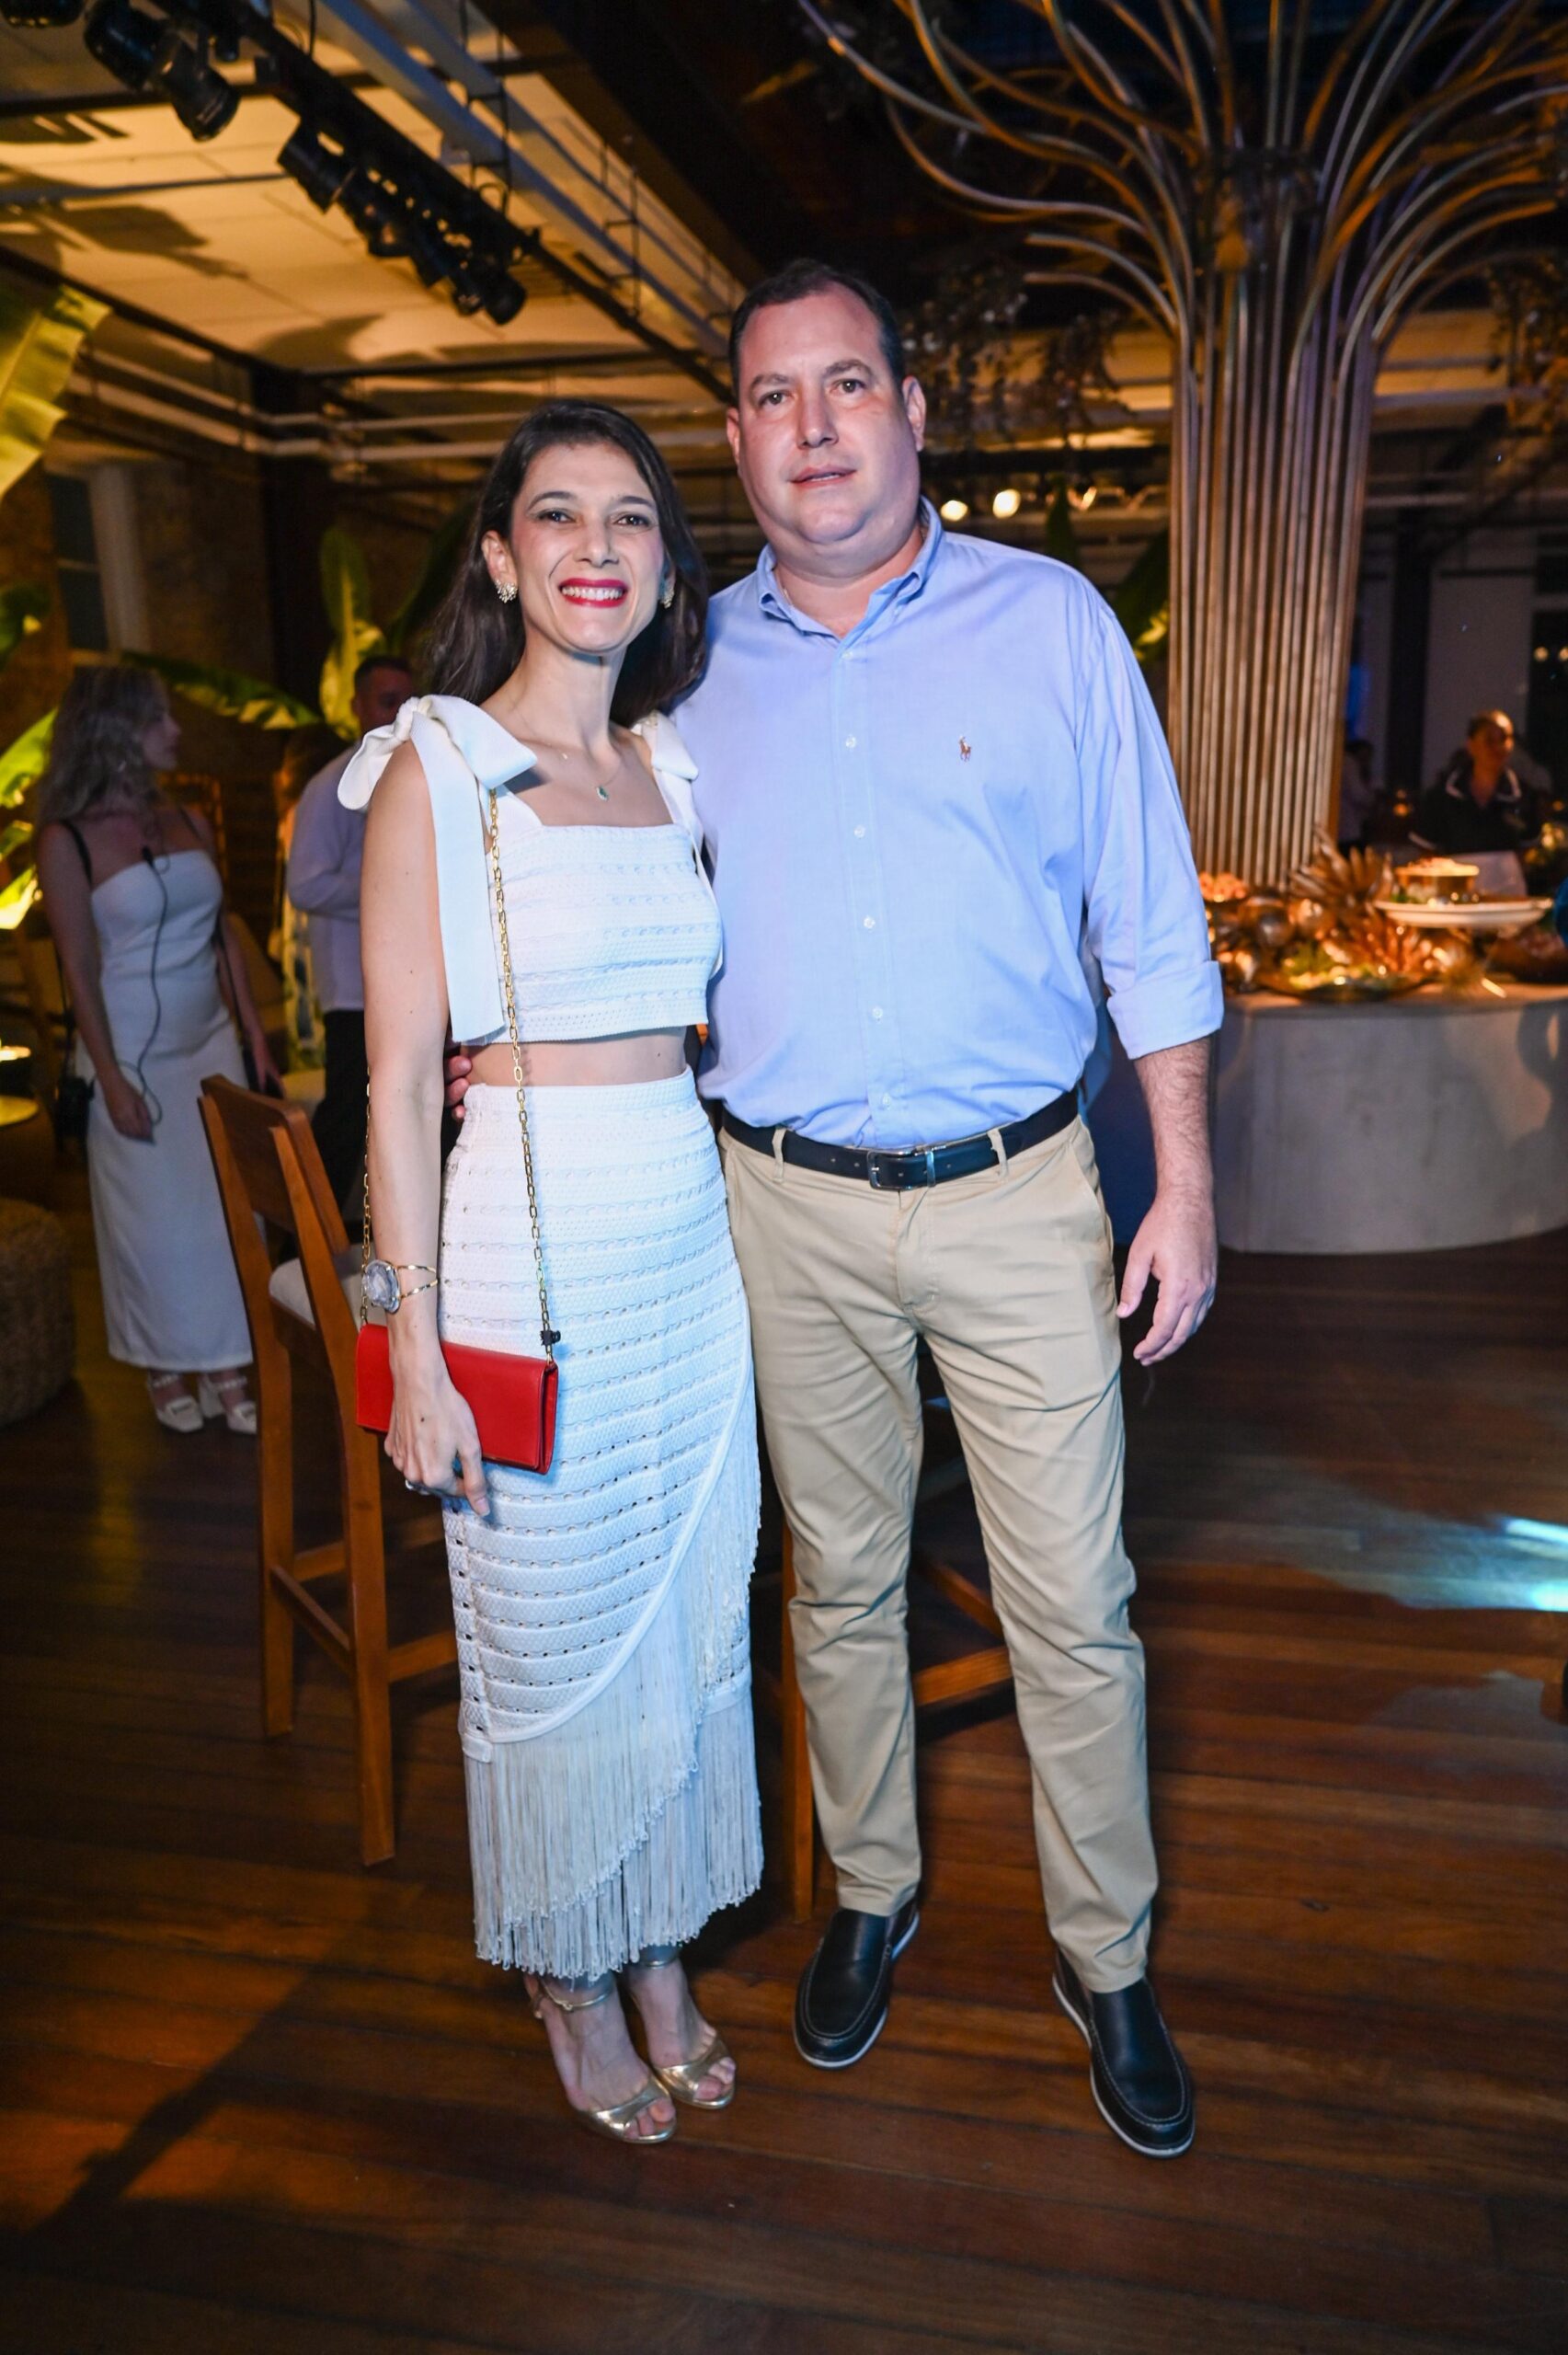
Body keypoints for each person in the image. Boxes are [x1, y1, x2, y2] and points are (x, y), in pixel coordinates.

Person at [450, 260, 1221, 2159]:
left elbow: (1151, 924)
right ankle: (872, 1888)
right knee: (839, 1584)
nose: (813, 429)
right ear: (735, 438)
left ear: (911, 410)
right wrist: (510, 1043)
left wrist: (1185, 1186)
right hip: (777, 1208)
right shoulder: (682, 668)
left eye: (847, 385)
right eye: (776, 397)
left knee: (1075, 1603)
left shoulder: (1052, 626)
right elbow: (571, 859)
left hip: (1024, 1192)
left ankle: (1107, 1956)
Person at [344, 403, 761, 2146]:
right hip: (528, 1252)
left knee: (681, 1629)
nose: (598, 545)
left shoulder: (675, 767)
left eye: (632, 518)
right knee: (548, 1634)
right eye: (559, 515)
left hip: (684, 1244)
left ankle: (654, 1941)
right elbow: (393, 1083)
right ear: (503, 559)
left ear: (664, 566)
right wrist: (413, 1349)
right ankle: (569, 1975)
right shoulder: (434, 768)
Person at [36, 665, 280, 1433]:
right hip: (131, 1057)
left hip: (210, 1047)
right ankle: (166, 1363)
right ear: (116, 730)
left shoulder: (188, 819)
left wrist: (253, 1033)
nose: (175, 732)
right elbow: (78, 968)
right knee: (155, 1226)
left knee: (223, 1215)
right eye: (159, 719)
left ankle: (226, 1362)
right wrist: (109, 1077)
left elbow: (223, 936)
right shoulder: (66, 841)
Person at [287, 655, 413, 1210]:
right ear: (358, 707)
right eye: (387, 701)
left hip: (407, 980)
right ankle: (302, 1228)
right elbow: (305, 885)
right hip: (353, 989)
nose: (400, 712)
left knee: (410, 1108)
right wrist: (390, 886)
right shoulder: (331, 787)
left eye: (408, 700)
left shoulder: (417, 774)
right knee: (347, 1114)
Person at [269, 720, 342, 1073]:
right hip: (316, 924)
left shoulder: (290, 811)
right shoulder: (318, 804)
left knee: (302, 1006)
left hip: (297, 923)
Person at [1413, 709, 1545, 855]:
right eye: (1489, 740)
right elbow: (1425, 849)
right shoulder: (1441, 796)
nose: (1498, 747)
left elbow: (1529, 851)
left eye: (1504, 738)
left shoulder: (1525, 797)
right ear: (1471, 745)